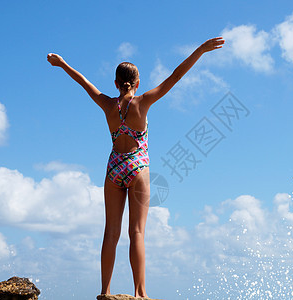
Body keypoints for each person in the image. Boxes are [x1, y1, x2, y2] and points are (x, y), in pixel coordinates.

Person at [47, 36, 224, 298]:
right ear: (137, 83)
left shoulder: (107, 104)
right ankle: (140, 293)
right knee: (137, 232)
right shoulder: (143, 102)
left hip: (114, 167)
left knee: (111, 233)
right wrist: (200, 50)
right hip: (137, 166)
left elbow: (84, 82)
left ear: (116, 84)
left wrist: (62, 64)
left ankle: (105, 291)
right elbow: (175, 77)